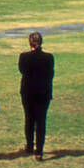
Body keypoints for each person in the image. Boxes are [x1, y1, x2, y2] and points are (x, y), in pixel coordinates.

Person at [19, 31, 55, 160]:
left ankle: (29, 146)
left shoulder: (23, 57)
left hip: (28, 91)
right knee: (41, 121)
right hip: (43, 92)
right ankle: (39, 150)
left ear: (30, 42)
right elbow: (51, 74)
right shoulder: (49, 57)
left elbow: (22, 71)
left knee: (29, 119)